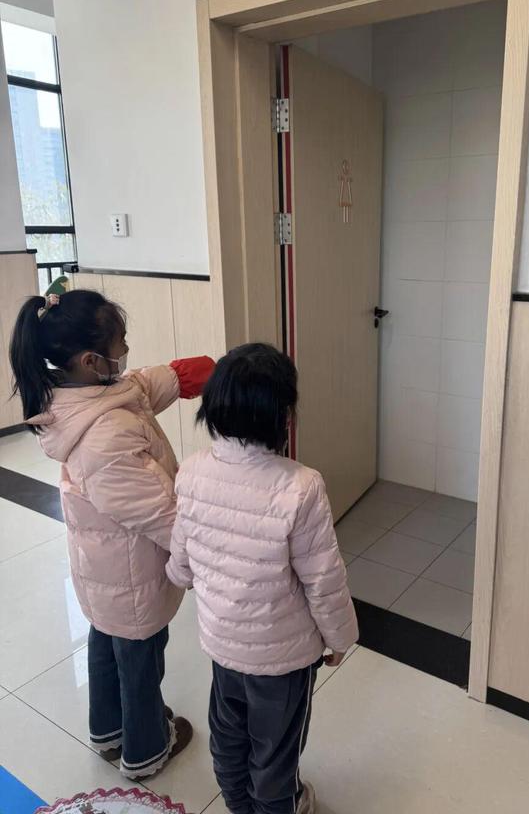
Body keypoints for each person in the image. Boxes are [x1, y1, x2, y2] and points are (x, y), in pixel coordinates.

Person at [9, 287, 215, 780]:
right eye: (120, 343)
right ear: (90, 360)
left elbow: (138, 386)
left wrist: (188, 374)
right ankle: (146, 751)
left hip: (105, 573)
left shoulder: (80, 395)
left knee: (106, 646)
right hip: (132, 573)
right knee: (141, 663)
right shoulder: (104, 437)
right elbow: (161, 515)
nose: (126, 351)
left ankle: (107, 730)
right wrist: (205, 557)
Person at [166, 343, 358, 814]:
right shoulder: (302, 485)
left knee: (229, 736)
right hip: (282, 658)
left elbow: (182, 556)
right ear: (282, 415)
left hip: (223, 644)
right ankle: (278, 803)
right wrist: (339, 638)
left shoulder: (191, 471)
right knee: (276, 751)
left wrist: (180, 574)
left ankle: (238, 804)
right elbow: (323, 579)